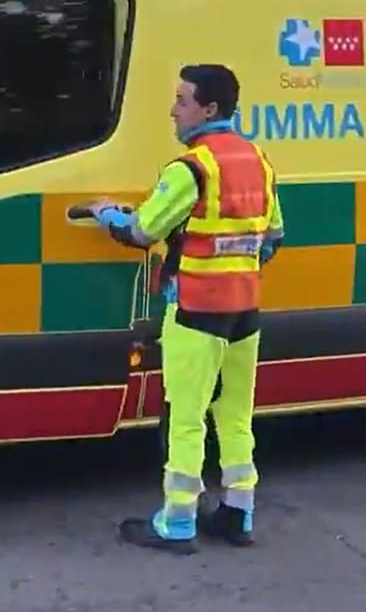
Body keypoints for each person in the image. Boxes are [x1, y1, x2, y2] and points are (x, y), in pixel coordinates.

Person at [88, 63, 283, 554]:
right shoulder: (257, 159)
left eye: (181, 99)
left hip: (196, 310)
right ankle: (239, 513)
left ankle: (177, 523)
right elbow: (272, 238)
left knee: (186, 417)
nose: (174, 110)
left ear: (209, 109)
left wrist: (104, 213)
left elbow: (141, 231)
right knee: (236, 415)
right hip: (246, 310)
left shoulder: (191, 168)